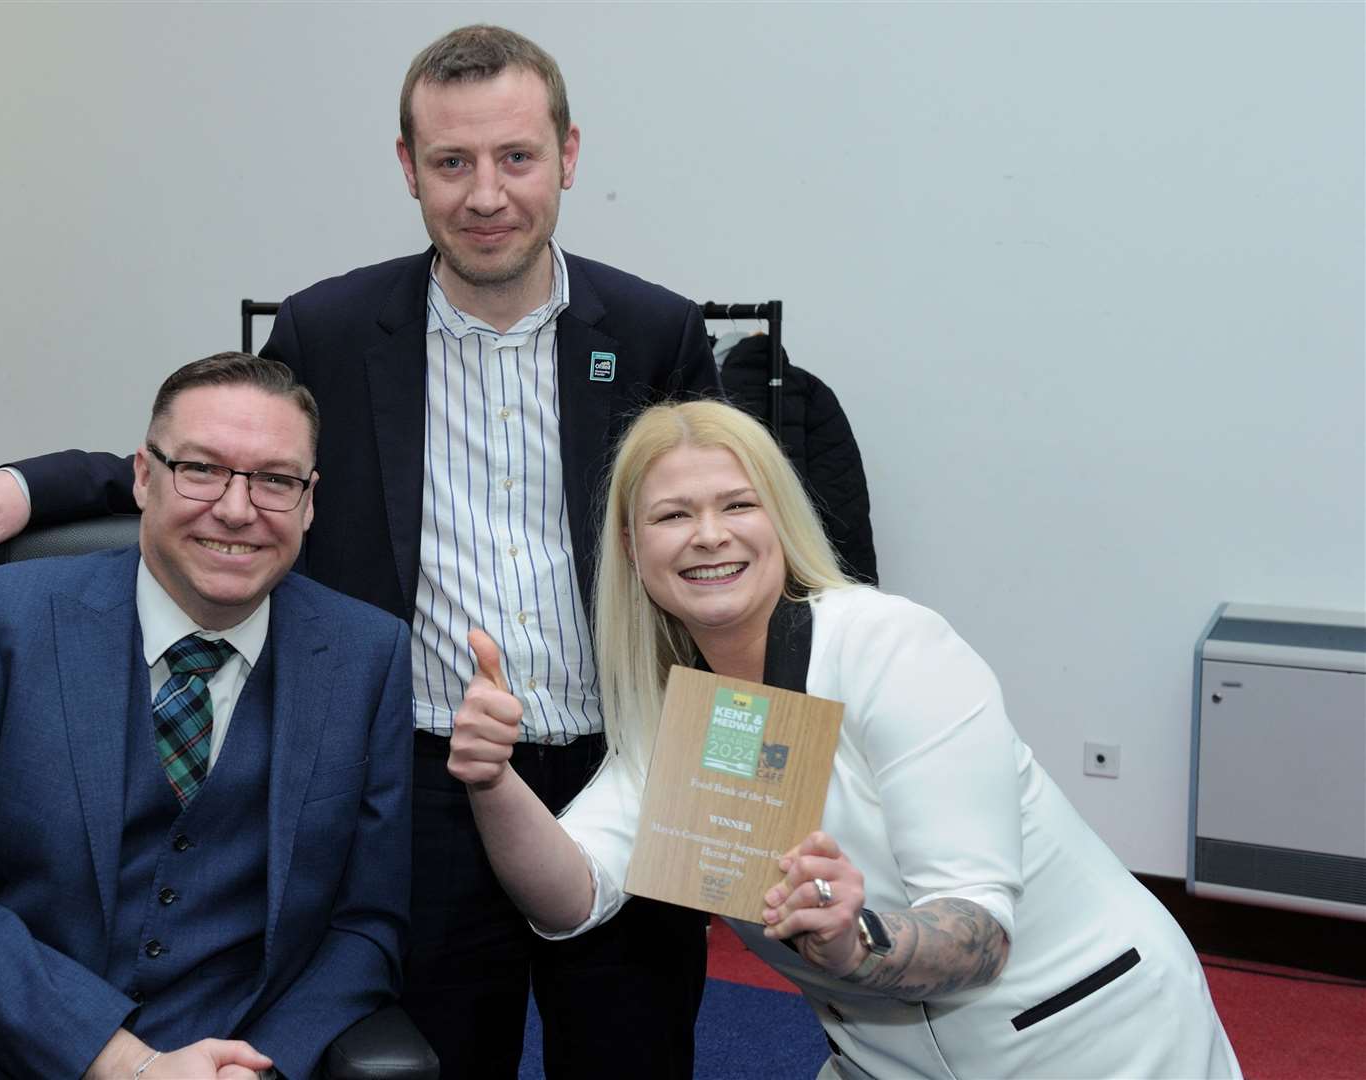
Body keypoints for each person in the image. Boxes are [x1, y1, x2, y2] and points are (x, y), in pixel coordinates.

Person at [0, 25, 718, 1080]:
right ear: (408, 169)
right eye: (452, 162)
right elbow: (230, 463)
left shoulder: (657, 333)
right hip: (422, 788)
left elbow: (735, 537)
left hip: (625, 770)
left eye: (516, 158)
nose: (486, 194)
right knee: (428, 1062)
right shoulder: (334, 328)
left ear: (568, 155)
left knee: (634, 1058)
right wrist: (37, 484)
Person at [448, 398, 1241, 1078]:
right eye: (671, 515)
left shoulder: (889, 646)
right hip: (884, 1057)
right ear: (631, 549)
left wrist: (853, 943)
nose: (707, 536)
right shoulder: (685, 716)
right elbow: (568, 899)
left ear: (780, 522)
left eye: (736, 505)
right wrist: (492, 781)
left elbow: (979, 931)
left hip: (1089, 1038)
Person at [0, 354, 412, 1080]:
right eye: (201, 469)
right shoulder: (5, 620)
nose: (236, 509)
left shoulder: (367, 655)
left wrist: (254, 1068)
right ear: (143, 478)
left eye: (275, 481)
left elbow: (365, 926)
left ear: (310, 502)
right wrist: (125, 1064)